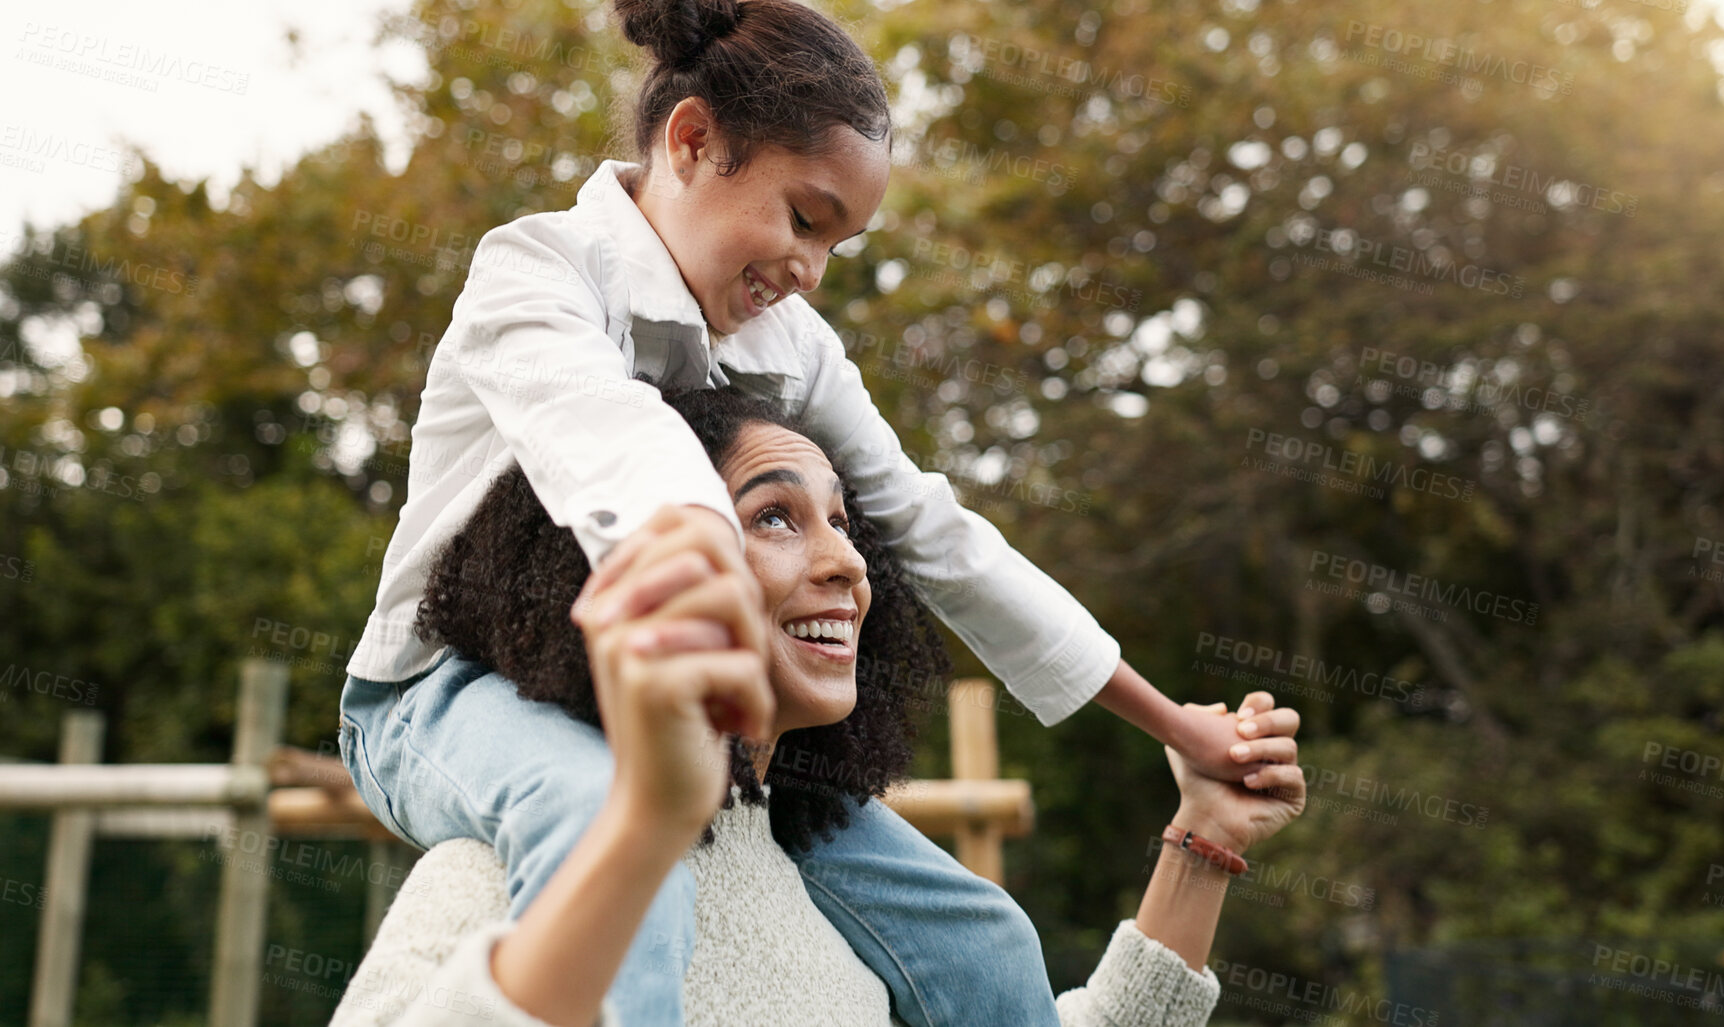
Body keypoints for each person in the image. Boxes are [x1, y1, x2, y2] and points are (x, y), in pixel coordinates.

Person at [339, 1, 1275, 1023]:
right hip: (440, 693)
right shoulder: (539, 271)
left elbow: (926, 524)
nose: (811, 272)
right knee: (596, 805)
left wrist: (1169, 719)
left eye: (841, 243)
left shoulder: (787, 342)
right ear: (692, 142)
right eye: (803, 219)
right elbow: (615, 442)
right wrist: (714, 575)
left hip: (685, 713)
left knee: (981, 930)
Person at [330, 389, 1307, 1026]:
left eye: (842, 522)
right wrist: (640, 831)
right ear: (630, 567)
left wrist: (1203, 841)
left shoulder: (845, 899)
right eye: (773, 515)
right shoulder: (502, 879)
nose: (847, 562)